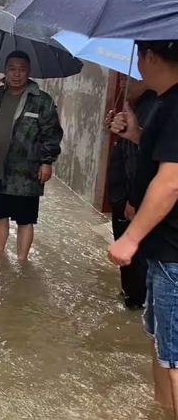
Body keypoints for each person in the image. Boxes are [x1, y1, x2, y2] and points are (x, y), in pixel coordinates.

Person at [108, 40, 178, 416]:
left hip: (173, 254)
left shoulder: (176, 106)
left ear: (150, 56)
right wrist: (135, 133)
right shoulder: (165, 104)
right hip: (162, 251)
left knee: (175, 357)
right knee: (161, 348)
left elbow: (171, 182)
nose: (137, 68)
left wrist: (130, 237)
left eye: (138, 59)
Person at [0, 51, 63, 260]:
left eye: (21, 69)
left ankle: (22, 263)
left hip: (26, 173)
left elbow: (52, 134)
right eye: (12, 69)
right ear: (6, 70)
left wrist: (46, 162)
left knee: (25, 219)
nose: (16, 74)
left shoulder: (41, 101)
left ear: (28, 72)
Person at [105, 77, 157, 308]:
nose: (124, 83)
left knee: (136, 258)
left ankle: (137, 302)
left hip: (132, 199)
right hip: (121, 195)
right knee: (127, 257)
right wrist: (114, 128)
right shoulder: (134, 107)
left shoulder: (152, 108)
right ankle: (130, 296)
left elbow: (141, 161)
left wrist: (133, 200)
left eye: (130, 80)